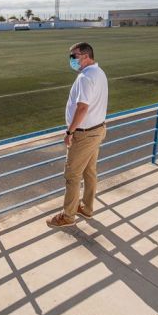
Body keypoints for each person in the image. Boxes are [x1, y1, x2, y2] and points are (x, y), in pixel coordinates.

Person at [47, 42, 108, 228]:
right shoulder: (99, 72)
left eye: (74, 56)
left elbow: (82, 108)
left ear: (86, 56)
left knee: (72, 175)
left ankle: (68, 216)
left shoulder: (85, 77)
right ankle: (86, 209)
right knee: (89, 172)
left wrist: (70, 132)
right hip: (97, 130)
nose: (71, 60)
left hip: (84, 135)